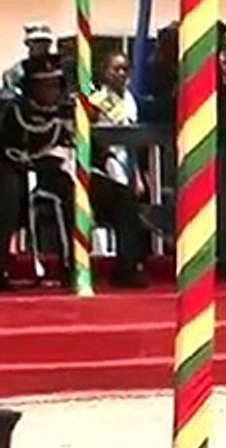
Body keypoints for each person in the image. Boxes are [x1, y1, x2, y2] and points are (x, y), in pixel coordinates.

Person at [0, 54, 148, 290]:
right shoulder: (16, 113)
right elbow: (11, 151)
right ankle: (73, 268)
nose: (52, 91)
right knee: (67, 199)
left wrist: (107, 158)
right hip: (42, 176)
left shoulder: (72, 109)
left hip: (79, 172)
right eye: (45, 86)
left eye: (55, 85)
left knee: (123, 197)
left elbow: (93, 140)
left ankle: (128, 268)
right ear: (32, 87)